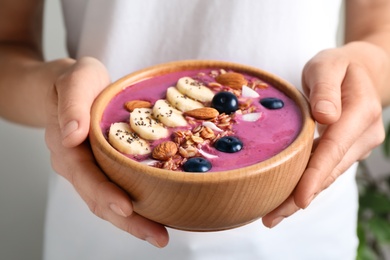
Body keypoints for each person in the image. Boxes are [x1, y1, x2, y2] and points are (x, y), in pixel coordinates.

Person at [1, 0, 389, 259]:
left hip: (301, 230)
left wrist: (366, 72)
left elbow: (380, 30)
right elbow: (8, 45)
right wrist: (56, 94)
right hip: (100, 223)